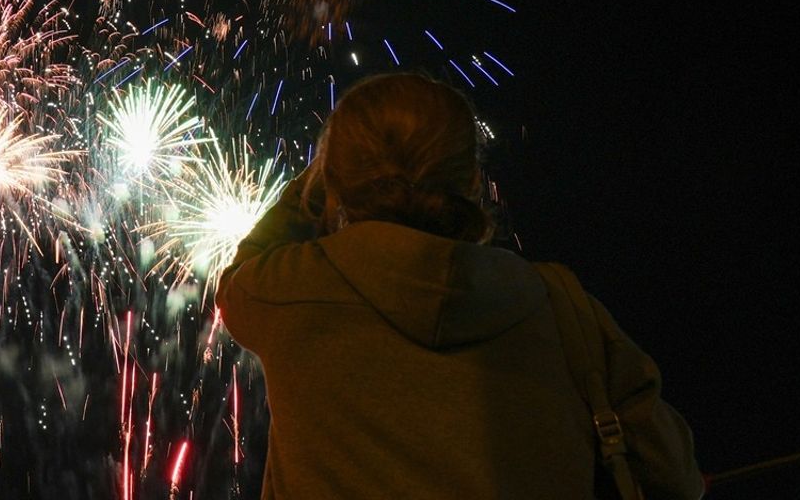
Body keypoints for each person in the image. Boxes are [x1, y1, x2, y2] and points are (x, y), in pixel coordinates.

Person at [217, 73, 704, 499]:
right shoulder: (560, 303)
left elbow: (238, 277)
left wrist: (314, 185)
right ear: (472, 178)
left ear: (335, 181)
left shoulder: (286, 292)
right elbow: (675, 475)